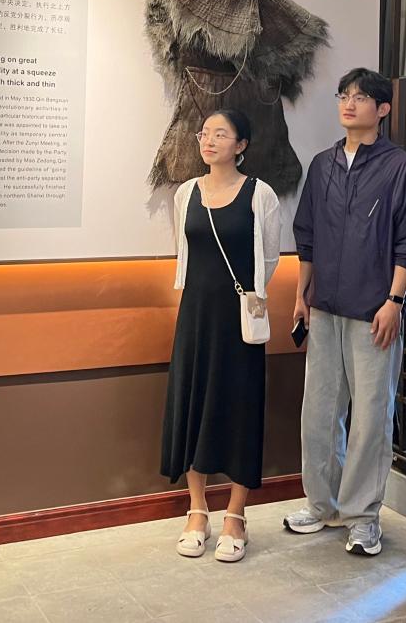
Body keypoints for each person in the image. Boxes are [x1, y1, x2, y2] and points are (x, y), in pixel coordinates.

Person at [285, 67, 406, 557]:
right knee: (319, 411)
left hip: (375, 310)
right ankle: (321, 504)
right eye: (343, 95)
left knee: (371, 415)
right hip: (324, 308)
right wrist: (301, 295)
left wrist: (395, 301)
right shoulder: (322, 165)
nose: (349, 104)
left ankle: (363, 517)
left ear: (382, 109)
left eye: (361, 97)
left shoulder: (400, 167)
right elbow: (307, 235)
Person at [161, 108, 281, 563]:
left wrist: (251, 297)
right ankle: (197, 510)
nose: (209, 141)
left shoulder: (259, 194)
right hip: (195, 314)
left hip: (239, 320)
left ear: (241, 145)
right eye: (204, 133)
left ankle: (235, 515)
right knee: (192, 404)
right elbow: (184, 252)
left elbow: (268, 258)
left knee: (240, 408)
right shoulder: (186, 192)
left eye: (221, 134)